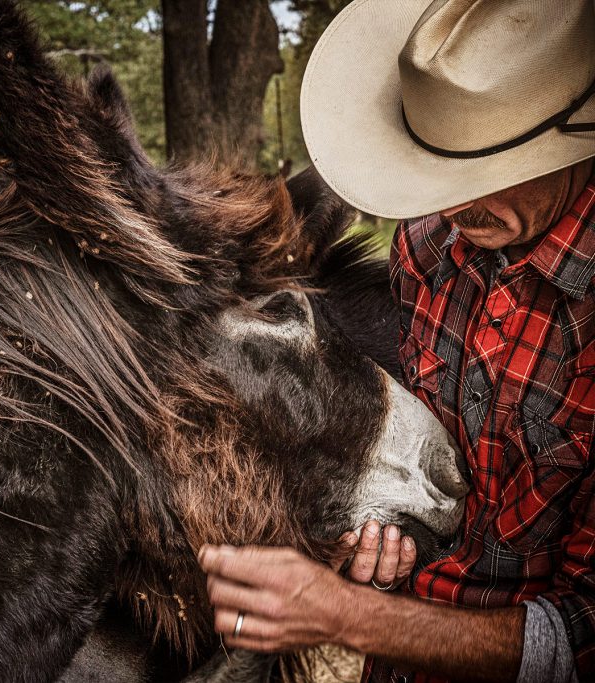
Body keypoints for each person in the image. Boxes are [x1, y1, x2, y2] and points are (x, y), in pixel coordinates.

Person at [198, 1, 595, 681]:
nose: (455, 204)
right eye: (441, 170)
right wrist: (390, 532)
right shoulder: (427, 245)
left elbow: (585, 635)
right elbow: (431, 454)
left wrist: (348, 617)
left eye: (491, 170)